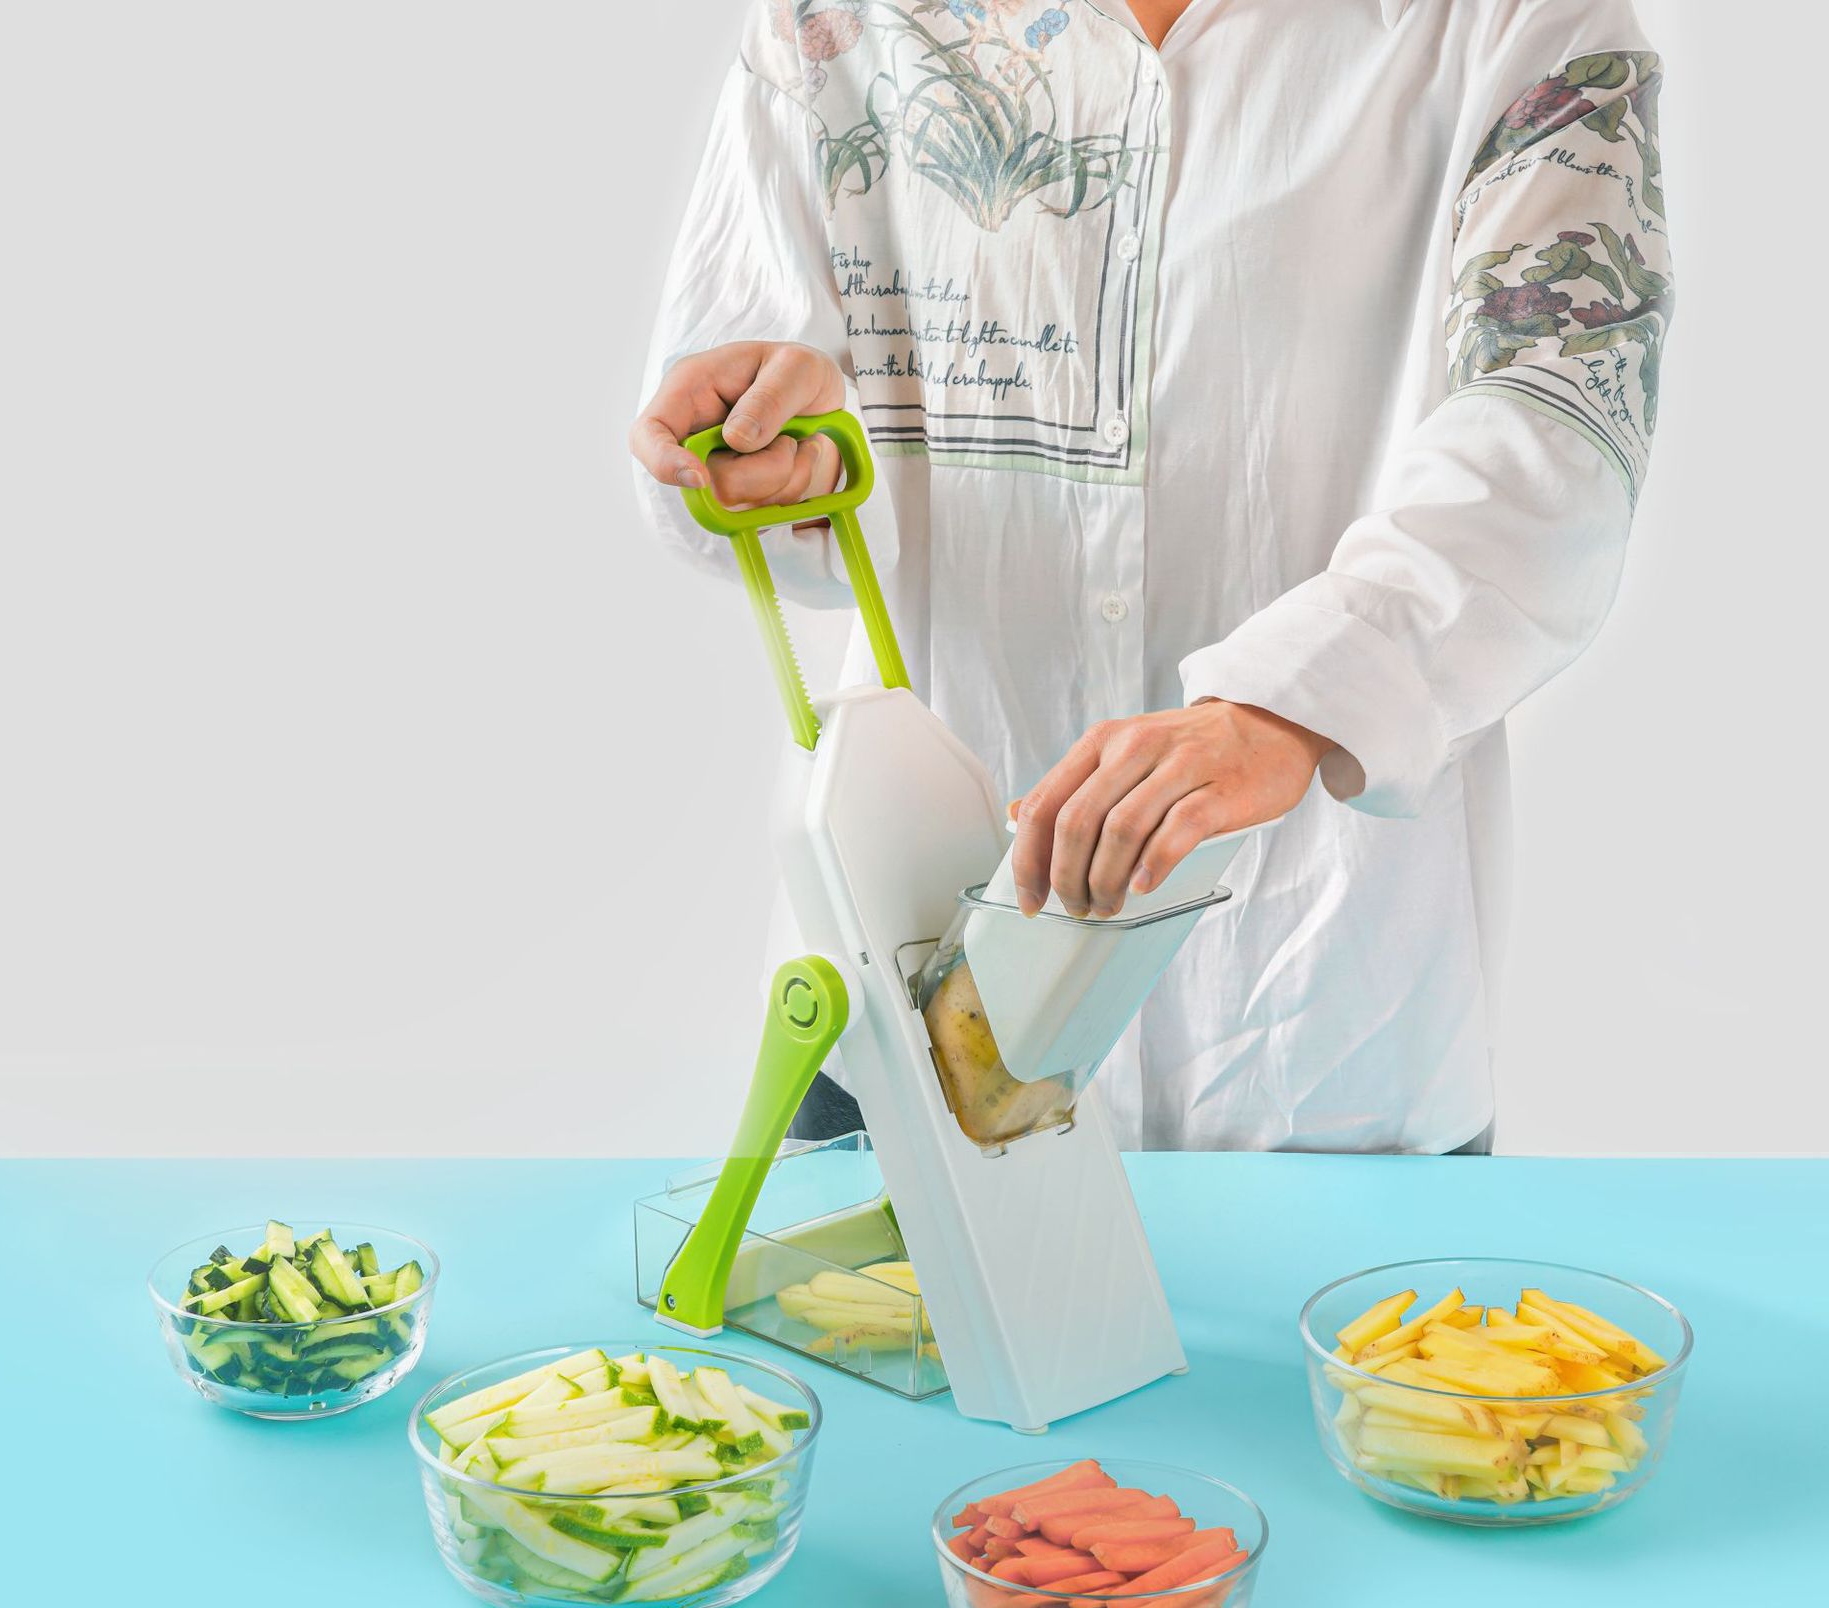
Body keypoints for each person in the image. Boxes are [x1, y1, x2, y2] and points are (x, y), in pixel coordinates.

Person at [632, 0, 1671, 1153]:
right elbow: (720, 461)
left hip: (1325, 1041)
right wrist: (768, 462)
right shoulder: (831, 24)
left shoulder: (1513, 22)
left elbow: (1556, 438)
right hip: (911, 1015)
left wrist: (1293, 699)